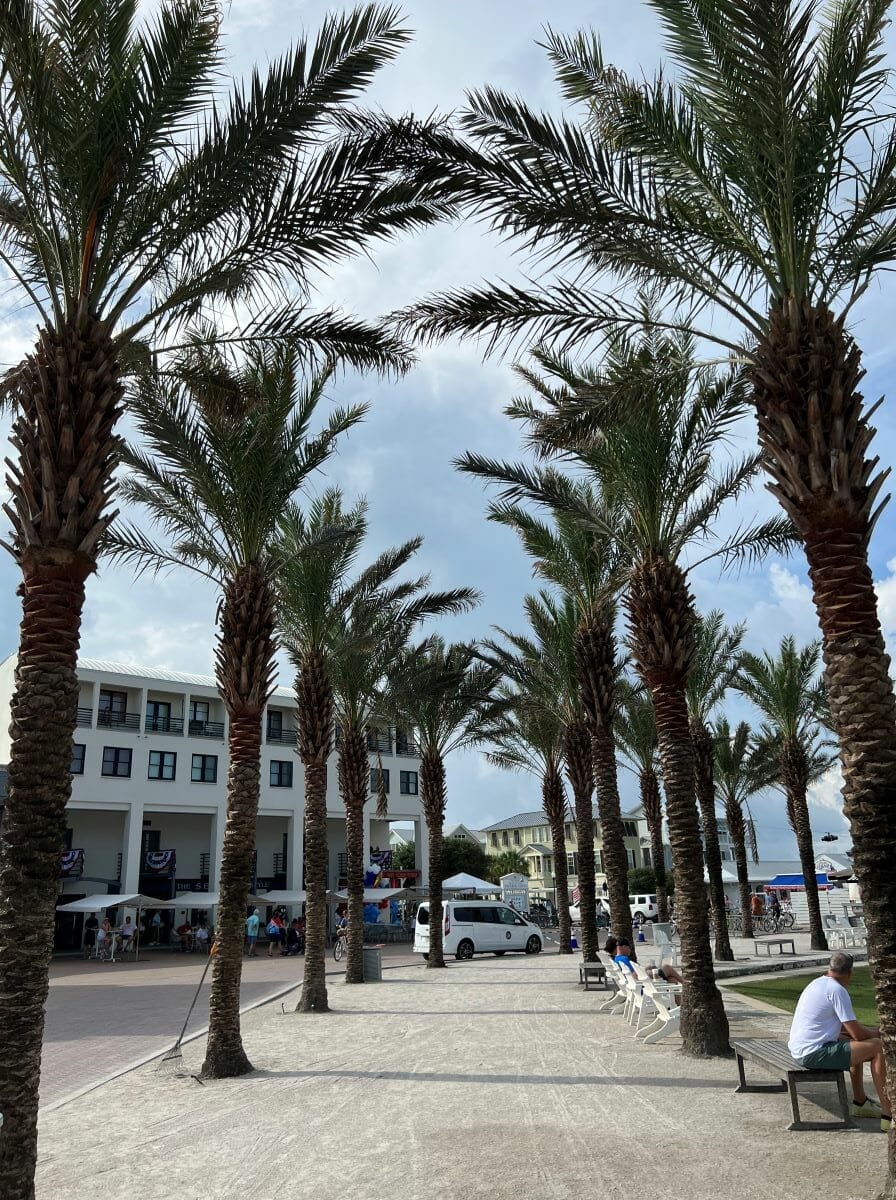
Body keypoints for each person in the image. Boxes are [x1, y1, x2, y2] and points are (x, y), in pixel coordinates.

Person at [788, 951, 891, 1131]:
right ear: (849, 973)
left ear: (830, 968)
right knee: (877, 1048)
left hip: (801, 1049)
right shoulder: (837, 990)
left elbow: (848, 1030)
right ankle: (888, 1115)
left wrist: (872, 1032)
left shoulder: (816, 983)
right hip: (812, 1053)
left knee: (856, 1044)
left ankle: (860, 1103)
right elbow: (858, 1034)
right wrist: (879, 1033)